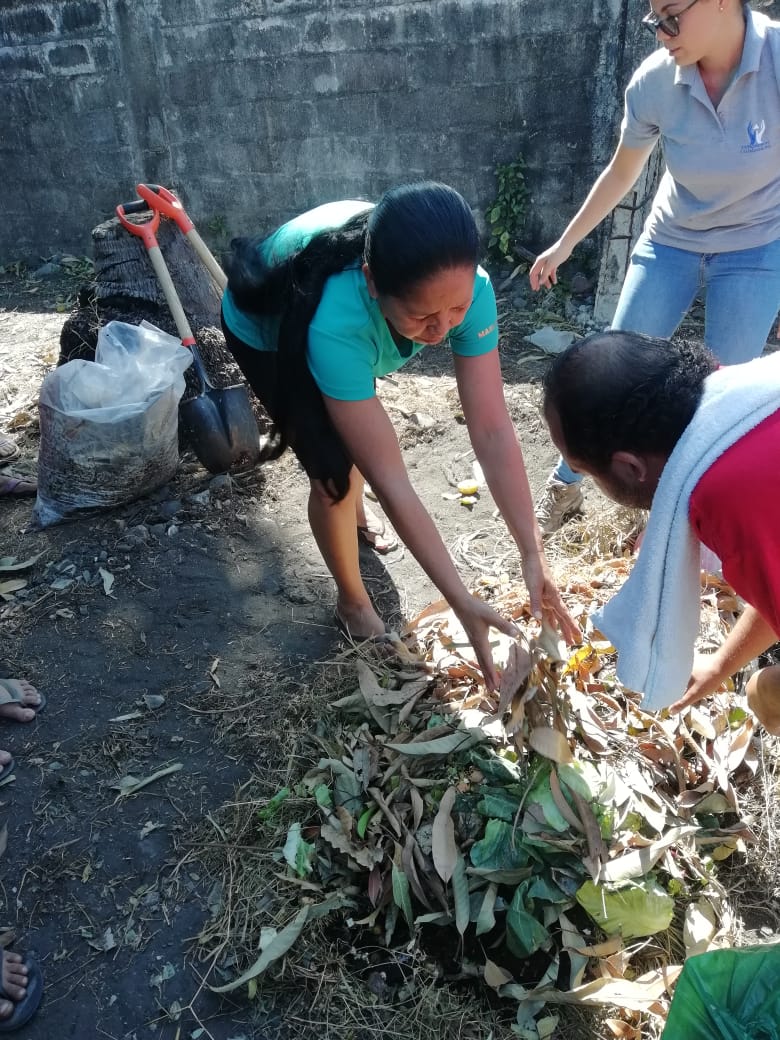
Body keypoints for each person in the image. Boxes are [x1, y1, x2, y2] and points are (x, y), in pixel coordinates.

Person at [221, 182, 579, 689]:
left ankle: (354, 517)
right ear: (373, 282)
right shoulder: (336, 325)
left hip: (348, 308)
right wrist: (461, 600)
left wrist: (531, 552)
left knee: (357, 448)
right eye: (423, 317)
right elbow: (392, 481)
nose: (442, 329)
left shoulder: (466, 289)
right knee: (335, 474)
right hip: (270, 327)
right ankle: (352, 602)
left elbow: (492, 428)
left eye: (456, 311)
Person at [529, 0, 780, 534]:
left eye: (671, 16)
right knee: (610, 371)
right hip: (673, 238)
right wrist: (566, 243)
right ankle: (565, 484)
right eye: (653, 20)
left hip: (757, 244)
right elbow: (622, 172)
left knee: (722, 395)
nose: (661, 33)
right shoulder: (655, 81)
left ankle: (680, 514)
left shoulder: (777, 58)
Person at [542, 329, 780, 733]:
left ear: (630, 467)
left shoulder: (723, 496)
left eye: (586, 472)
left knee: (768, 695)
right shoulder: (748, 398)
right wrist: (721, 664)